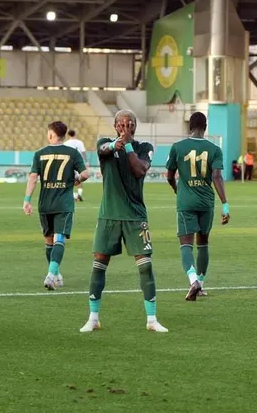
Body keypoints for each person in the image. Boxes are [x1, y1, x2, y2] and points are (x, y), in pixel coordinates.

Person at [79, 110, 168, 333]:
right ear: (115, 126)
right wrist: (115, 145)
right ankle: (93, 317)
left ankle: (151, 320)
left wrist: (127, 146)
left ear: (136, 127)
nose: (126, 127)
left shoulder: (144, 148)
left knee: (145, 266)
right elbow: (103, 149)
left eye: (130, 124)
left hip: (135, 216)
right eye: (122, 124)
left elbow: (139, 170)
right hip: (108, 214)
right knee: (99, 265)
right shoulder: (105, 144)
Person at [166, 112, 230, 300]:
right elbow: (217, 177)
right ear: (205, 126)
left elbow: (169, 176)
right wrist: (225, 204)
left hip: (186, 201)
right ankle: (200, 285)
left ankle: (193, 280)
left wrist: (177, 189)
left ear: (190, 126)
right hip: (206, 202)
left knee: (186, 245)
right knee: (203, 244)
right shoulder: (215, 149)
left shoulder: (177, 147)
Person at [23, 121, 90, 290]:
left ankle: (55, 274)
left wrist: (26, 200)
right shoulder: (73, 153)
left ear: (51, 134)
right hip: (64, 204)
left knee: (48, 241)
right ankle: (52, 274)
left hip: (45, 204)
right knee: (59, 239)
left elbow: (32, 177)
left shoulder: (40, 153)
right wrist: (78, 180)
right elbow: (86, 173)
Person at [63, 129, 87, 202]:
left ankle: (73, 195)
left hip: (68, 162)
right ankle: (79, 194)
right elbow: (83, 152)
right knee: (79, 179)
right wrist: (86, 161)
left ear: (68, 135)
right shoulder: (79, 142)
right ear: (75, 134)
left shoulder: (66, 143)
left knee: (68, 180)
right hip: (78, 163)